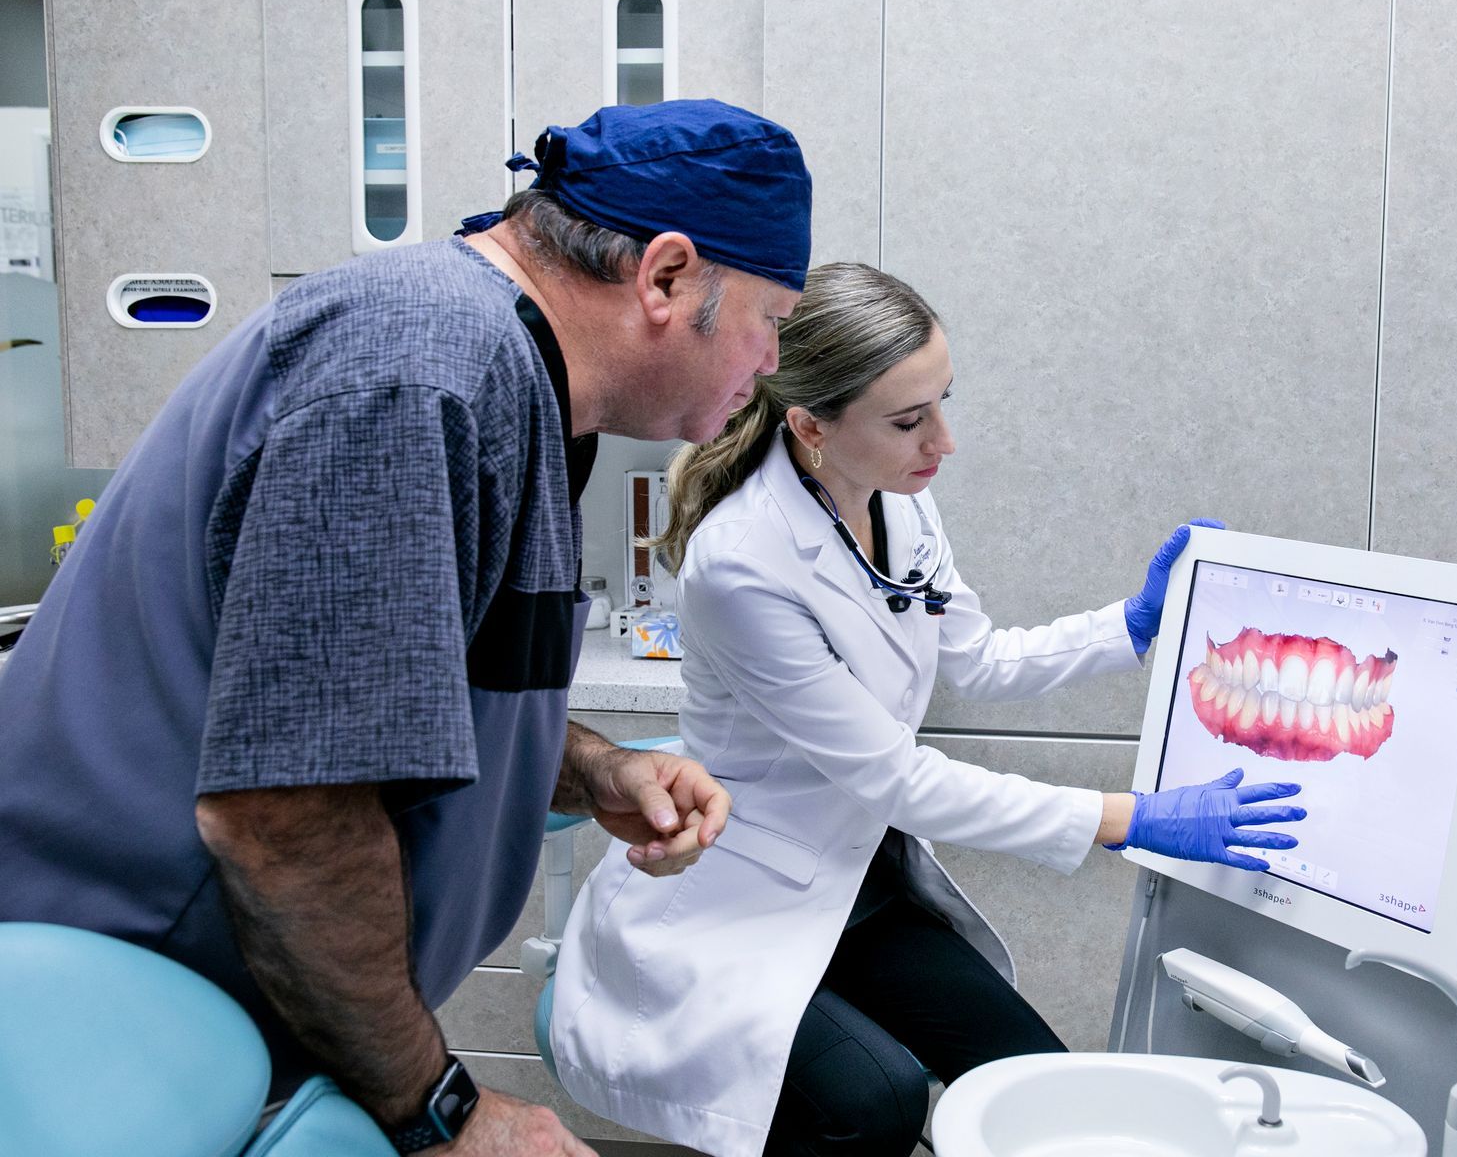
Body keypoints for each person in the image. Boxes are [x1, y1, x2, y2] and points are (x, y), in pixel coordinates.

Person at [0, 100, 812, 1155]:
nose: (772, 361)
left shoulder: (508, 382)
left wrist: (596, 770)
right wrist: (446, 1111)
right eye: (773, 320)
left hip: (214, 1037)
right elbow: (286, 816)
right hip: (102, 1035)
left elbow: (391, 701)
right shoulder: (419, 372)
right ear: (663, 277)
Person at [549, 262, 1306, 1157]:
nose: (941, 442)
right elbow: (897, 777)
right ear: (810, 426)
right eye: (910, 421)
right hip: (737, 898)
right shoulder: (744, 560)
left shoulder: (899, 505)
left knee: (1032, 1083)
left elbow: (976, 661)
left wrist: (1130, 629)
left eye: (942, 402)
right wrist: (1127, 817)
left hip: (855, 883)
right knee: (875, 1102)